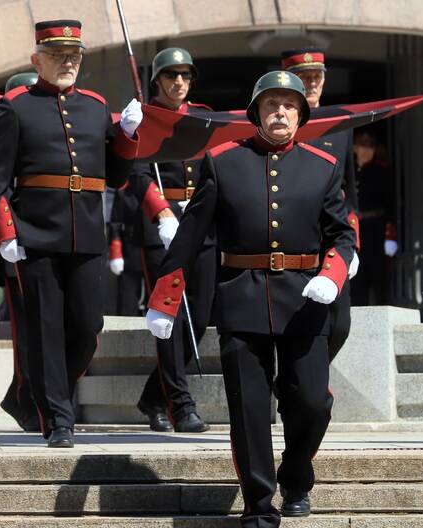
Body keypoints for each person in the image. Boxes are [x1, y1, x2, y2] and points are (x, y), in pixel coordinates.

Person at [145, 70, 355, 525]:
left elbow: (342, 235)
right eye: (271, 104)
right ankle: (259, 506)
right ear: (256, 112)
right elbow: (191, 234)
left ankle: (296, 476)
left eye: (289, 105)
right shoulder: (222, 160)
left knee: (312, 402)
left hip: (305, 301)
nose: (280, 112)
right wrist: (164, 297)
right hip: (242, 298)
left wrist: (332, 274)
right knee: (248, 411)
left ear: (301, 114)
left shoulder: (323, 165)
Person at [0, 19, 143, 448]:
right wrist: (6, 233)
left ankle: (36, 394)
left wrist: (127, 136)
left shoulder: (94, 105)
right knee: (45, 327)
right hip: (35, 234)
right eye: (58, 55)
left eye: (74, 55)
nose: (68, 62)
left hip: (87, 233)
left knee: (88, 325)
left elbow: (116, 177)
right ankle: (57, 416)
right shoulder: (15, 106)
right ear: (38, 60)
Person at [131, 47, 214, 433]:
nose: (178, 82)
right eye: (170, 76)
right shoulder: (144, 118)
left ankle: (152, 396)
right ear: (157, 81)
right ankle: (180, 404)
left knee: (203, 313)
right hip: (163, 227)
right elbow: (138, 173)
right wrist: (162, 213)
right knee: (169, 315)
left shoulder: (203, 117)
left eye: (184, 75)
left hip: (202, 225)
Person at [280, 49, 359, 361]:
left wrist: (354, 245)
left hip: (331, 236)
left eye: (317, 76)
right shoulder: (280, 121)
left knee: (340, 324)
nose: (312, 82)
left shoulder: (340, 123)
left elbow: (350, 191)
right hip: (292, 234)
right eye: (305, 76)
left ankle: (309, 381)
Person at [0, 71, 41, 433]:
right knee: (27, 331)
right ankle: (26, 397)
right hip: (16, 243)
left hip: (44, 238)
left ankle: (27, 394)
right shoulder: (0, 131)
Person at [350, 129, 398, 306]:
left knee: (379, 277)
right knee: (356, 277)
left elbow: (391, 204)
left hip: (376, 229)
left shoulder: (381, 172)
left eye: (370, 146)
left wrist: (391, 236)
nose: (366, 150)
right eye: (362, 145)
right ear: (354, 147)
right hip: (354, 229)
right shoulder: (349, 169)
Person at [105, 186, 144, 316]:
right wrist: (116, 251)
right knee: (128, 294)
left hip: (154, 242)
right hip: (130, 245)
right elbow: (116, 221)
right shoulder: (125, 188)